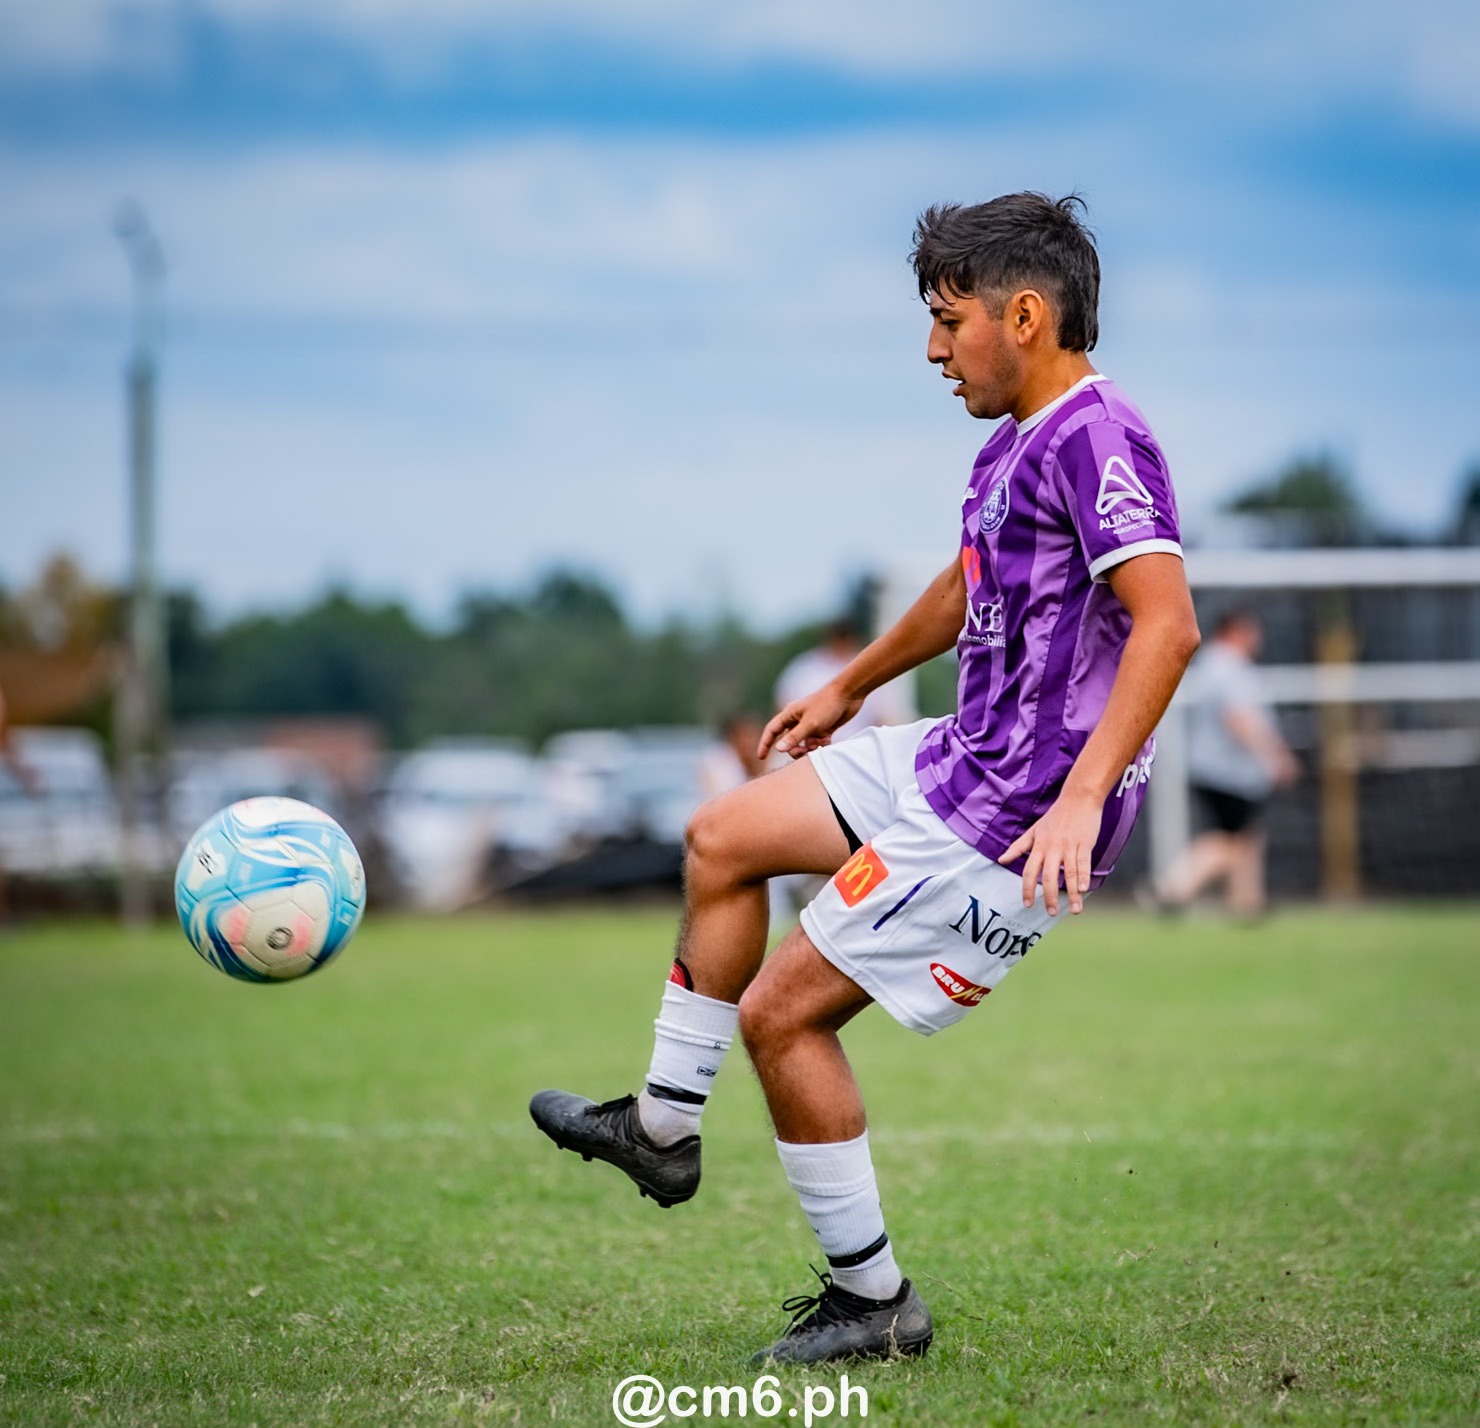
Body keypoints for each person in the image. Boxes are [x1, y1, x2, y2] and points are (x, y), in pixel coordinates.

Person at [530, 193, 1200, 1364]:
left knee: (784, 1017)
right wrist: (851, 683)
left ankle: (873, 1301)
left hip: (1016, 807)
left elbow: (1166, 625)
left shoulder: (1098, 432)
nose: (934, 351)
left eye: (950, 322)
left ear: (1026, 315)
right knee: (722, 835)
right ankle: (660, 1127)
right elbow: (967, 580)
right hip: (959, 754)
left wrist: (1084, 800)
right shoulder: (1016, 440)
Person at [1154, 608, 1298, 918]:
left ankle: (1246, 902)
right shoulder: (1229, 668)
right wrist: (1274, 757)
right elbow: (1239, 719)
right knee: (1229, 840)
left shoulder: (1210, 665)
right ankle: (1172, 889)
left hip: (1215, 768)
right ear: (1236, 631)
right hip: (1228, 771)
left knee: (1247, 836)